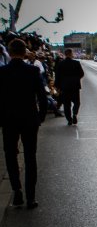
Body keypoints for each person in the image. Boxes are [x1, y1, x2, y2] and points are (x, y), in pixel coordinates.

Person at [0, 39, 48, 209]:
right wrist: (40, 117)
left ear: (10, 52)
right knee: (30, 157)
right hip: (29, 118)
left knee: (11, 155)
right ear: (24, 52)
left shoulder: (2, 72)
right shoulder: (33, 71)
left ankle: (17, 191)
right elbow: (42, 97)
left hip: (8, 120)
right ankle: (31, 197)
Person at [55, 48, 84, 126]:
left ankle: (69, 119)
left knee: (66, 104)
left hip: (65, 87)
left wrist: (58, 87)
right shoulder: (76, 63)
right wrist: (76, 79)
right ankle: (74, 114)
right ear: (71, 54)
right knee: (77, 102)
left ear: (65, 54)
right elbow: (81, 74)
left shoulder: (60, 64)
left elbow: (57, 76)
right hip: (75, 86)